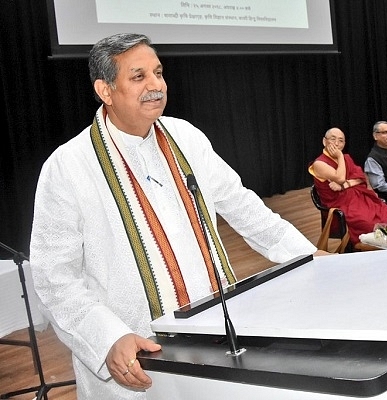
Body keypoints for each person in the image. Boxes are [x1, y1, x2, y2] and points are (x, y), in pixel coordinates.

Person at [29, 33, 325, 399]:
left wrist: (306, 256)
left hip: (215, 338)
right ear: (105, 90)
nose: (156, 86)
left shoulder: (186, 137)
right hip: (135, 358)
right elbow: (53, 276)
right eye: (139, 77)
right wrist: (107, 337)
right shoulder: (68, 166)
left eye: (158, 72)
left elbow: (241, 204)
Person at [309, 127, 387, 244]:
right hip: (340, 205)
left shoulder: (347, 158)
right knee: (369, 224)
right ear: (324, 141)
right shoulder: (319, 164)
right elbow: (340, 178)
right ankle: (372, 248)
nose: (336, 143)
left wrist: (346, 184)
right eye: (333, 139)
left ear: (344, 143)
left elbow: (360, 178)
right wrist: (340, 157)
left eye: (341, 140)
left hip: (358, 198)